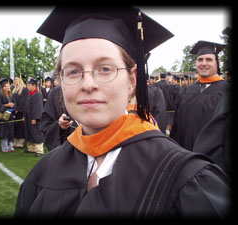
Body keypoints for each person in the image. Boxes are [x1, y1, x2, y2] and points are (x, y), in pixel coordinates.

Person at [16, 7, 230, 218]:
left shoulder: (184, 178)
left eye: (105, 68)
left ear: (132, 80)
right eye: (73, 71)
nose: (88, 84)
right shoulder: (42, 173)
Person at [170, 40, 228, 151]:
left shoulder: (226, 91)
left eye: (209, 59)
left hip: (214, 162)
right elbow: (176, 128)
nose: (204, 63)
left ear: (218, 63)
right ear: (196, 63)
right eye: (200, 59)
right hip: (185, 156)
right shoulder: (185, 91)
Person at [24, 78, 44, 157]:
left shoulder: (38, 95)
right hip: (28, 118)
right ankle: (31, 148)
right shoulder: (30, 94)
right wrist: (24, 116)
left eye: (29, 85)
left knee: (36, 133)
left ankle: (39, 150)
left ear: (34, 86)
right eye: (27, 85)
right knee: (29, 132)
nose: (27, 87)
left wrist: (35, 118)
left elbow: (38, 107)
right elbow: (26, 107)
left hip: (34, 118)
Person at [0, 78, 15, 153]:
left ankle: (11, 146)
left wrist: (13, 105)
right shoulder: (0, 95)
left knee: (11, 131)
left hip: (10, 114)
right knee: (4, 131)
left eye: (8, 86)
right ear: (2, 87)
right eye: (5, 86)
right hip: (3, 115)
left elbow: (15, 103)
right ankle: (5, 148)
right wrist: (7, 105)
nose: (7, 88)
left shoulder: (11, 95)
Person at [12, 75, 29, 148]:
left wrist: (18, 109)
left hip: (21, 111)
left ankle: (20, 142)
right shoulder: (14, 89)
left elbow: (24, 101)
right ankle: (15, 141)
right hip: (15, 110)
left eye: (17, 79)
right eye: (15, 79)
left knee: (20, 127)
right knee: (15, 126)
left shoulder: (24, 89)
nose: (16, 80)